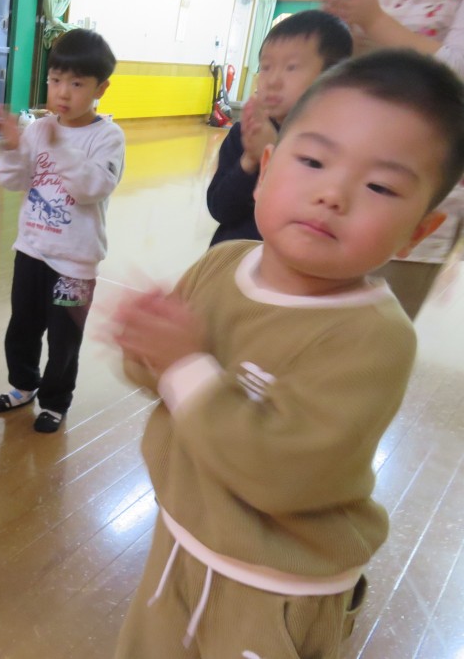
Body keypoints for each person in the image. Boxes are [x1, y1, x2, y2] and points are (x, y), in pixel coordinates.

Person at [110, 49, 464, 658]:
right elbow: (162, 383)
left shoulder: (372, 337)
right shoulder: (222, 264)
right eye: (313, 161)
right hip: (181, 537)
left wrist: (183, 364)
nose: (332, 193)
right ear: (267, 169)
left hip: (273, 590)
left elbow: (281, 475)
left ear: (417, 232)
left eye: (380, 186)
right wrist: (147, 343)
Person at [322, 0, 464, 317]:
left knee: (380, 320)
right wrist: (344, 30)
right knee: (320, 308)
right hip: (351, 167)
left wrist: (375, 20)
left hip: (420, 183)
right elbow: (357, 63)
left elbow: (456, 70)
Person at [0, 27, 125, 433]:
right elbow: (14, 181)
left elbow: (90, 189)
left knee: (65, 339)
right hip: (32, 249)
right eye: (55, 80)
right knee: (22, 327)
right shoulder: (38, 129)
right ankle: (23, 385)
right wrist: (11, 148)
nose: (63, 92)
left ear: (101, 88)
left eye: (77, 84)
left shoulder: (108, 137)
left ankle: (55, 401)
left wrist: (60, 147)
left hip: (75, 264)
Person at [207, 10, 353, 245]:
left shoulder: (339, 145)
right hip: (232, 256)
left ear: (333, 79)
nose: (273, 80)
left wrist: (272, 153)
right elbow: (219, 208)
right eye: (266, 67)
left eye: (291, 67)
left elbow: (319, 216)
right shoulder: (244, 134)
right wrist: (248, 161)